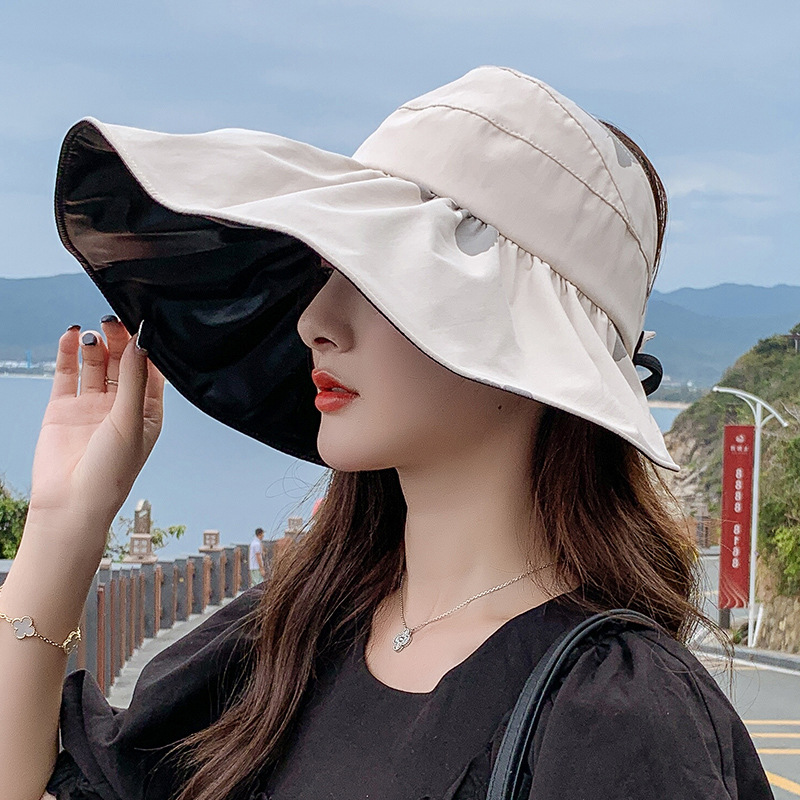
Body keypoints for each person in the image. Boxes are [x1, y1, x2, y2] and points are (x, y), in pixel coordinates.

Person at [0, 67, 774, 800]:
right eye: (325, 271)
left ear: (528, 336)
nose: (315, 321)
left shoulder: (615, 715)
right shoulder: (291, 633)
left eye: (381, 279)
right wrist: (64, 522)